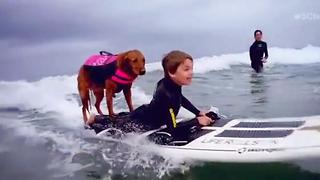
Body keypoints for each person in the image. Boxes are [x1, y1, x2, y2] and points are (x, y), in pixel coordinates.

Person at [88, 50, 214, 136]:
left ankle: (97, 117)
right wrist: (197, 121)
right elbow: (173, 130)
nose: (191, 72)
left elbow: (180, 98)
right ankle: (93, 120)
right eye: (186, 69)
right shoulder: (166, 95)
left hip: (146, 114)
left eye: (191, 68)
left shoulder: (172, 84)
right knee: (116, 127)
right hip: (142, 123)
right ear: (171, 72)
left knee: (124, 117)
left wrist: (197, 112)